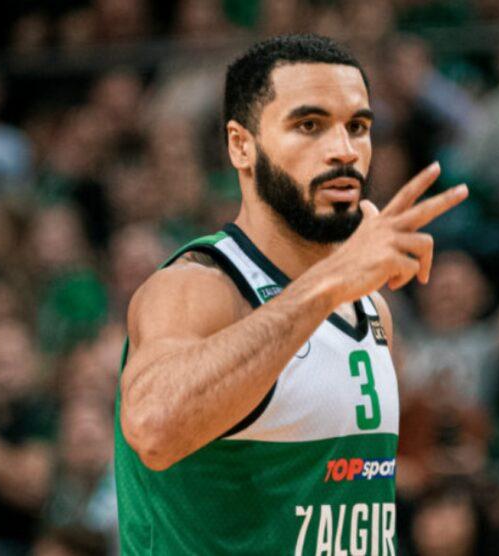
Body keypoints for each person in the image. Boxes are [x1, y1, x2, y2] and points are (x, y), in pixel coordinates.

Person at [114, 34, 469, 555]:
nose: (344, 150)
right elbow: (152, 427)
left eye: (358, 126)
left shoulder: (370, 307)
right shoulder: (197, 284)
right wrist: (330, 281)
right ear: (241, 145)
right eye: (309, 125)